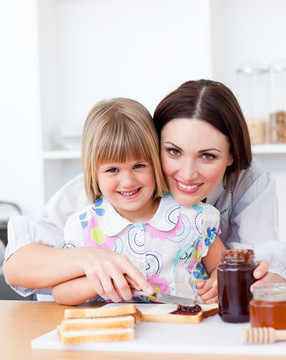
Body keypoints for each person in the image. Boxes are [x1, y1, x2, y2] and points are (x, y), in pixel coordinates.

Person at [4, 80, 285, 302]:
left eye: (208, 156)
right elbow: (19, 266)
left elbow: (258, 269)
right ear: (154, 145)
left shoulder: (218, 204)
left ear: (232, 155)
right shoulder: (98, 194)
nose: (187, 173)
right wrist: (93, 262)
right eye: (173, 152)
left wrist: (250, 280)